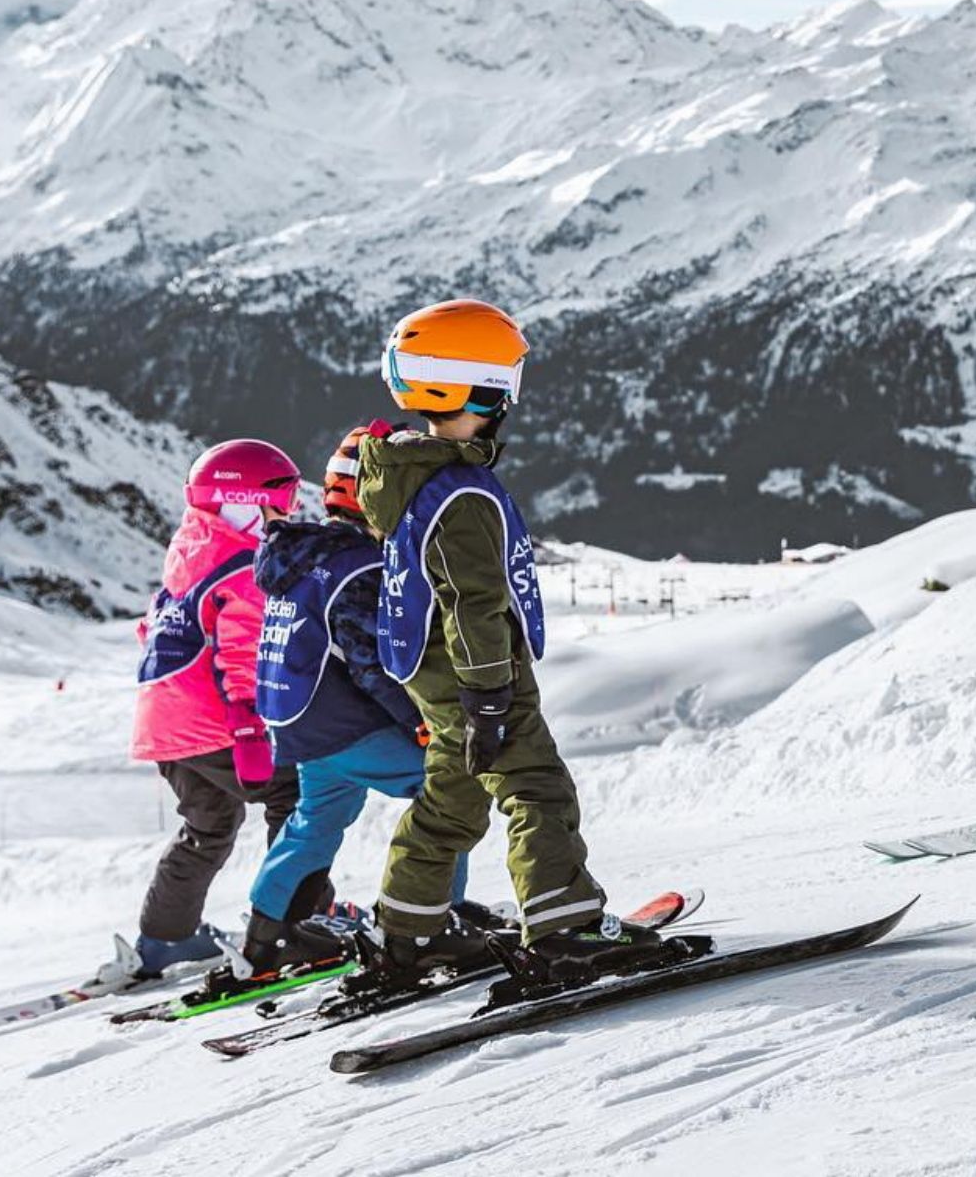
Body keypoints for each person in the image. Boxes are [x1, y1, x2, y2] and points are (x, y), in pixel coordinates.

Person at [359, 299, 658, 981]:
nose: (511, 399)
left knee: (455, 790)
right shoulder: (460, 493)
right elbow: (474, 604)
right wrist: (490, 696)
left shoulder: (407, 475)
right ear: (476, 385)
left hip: (429, 669)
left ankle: (411, 928)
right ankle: (565, 926)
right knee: (535, 786)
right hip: (473, 670)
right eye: (506, 380)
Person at [236, 425, 479, 975]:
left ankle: (269, 933)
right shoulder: (359, 568)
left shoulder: (302, 557)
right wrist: (421, 720)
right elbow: (374, 664)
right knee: (449, 788)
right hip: (348, 726)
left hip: (302, 724)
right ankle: (432, 917)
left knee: (318, 818)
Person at [130, 439, 303, 977]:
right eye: (277, 503)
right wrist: (250, 724)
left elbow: (155, 632)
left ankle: (165, 937)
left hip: (165, 726)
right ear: (241, 501)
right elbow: (242, 649)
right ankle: (295, 921)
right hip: (215, 725)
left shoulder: (189, 552)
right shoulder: (241, 566)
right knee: (297, 799)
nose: (284, 515)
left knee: (209, 824)